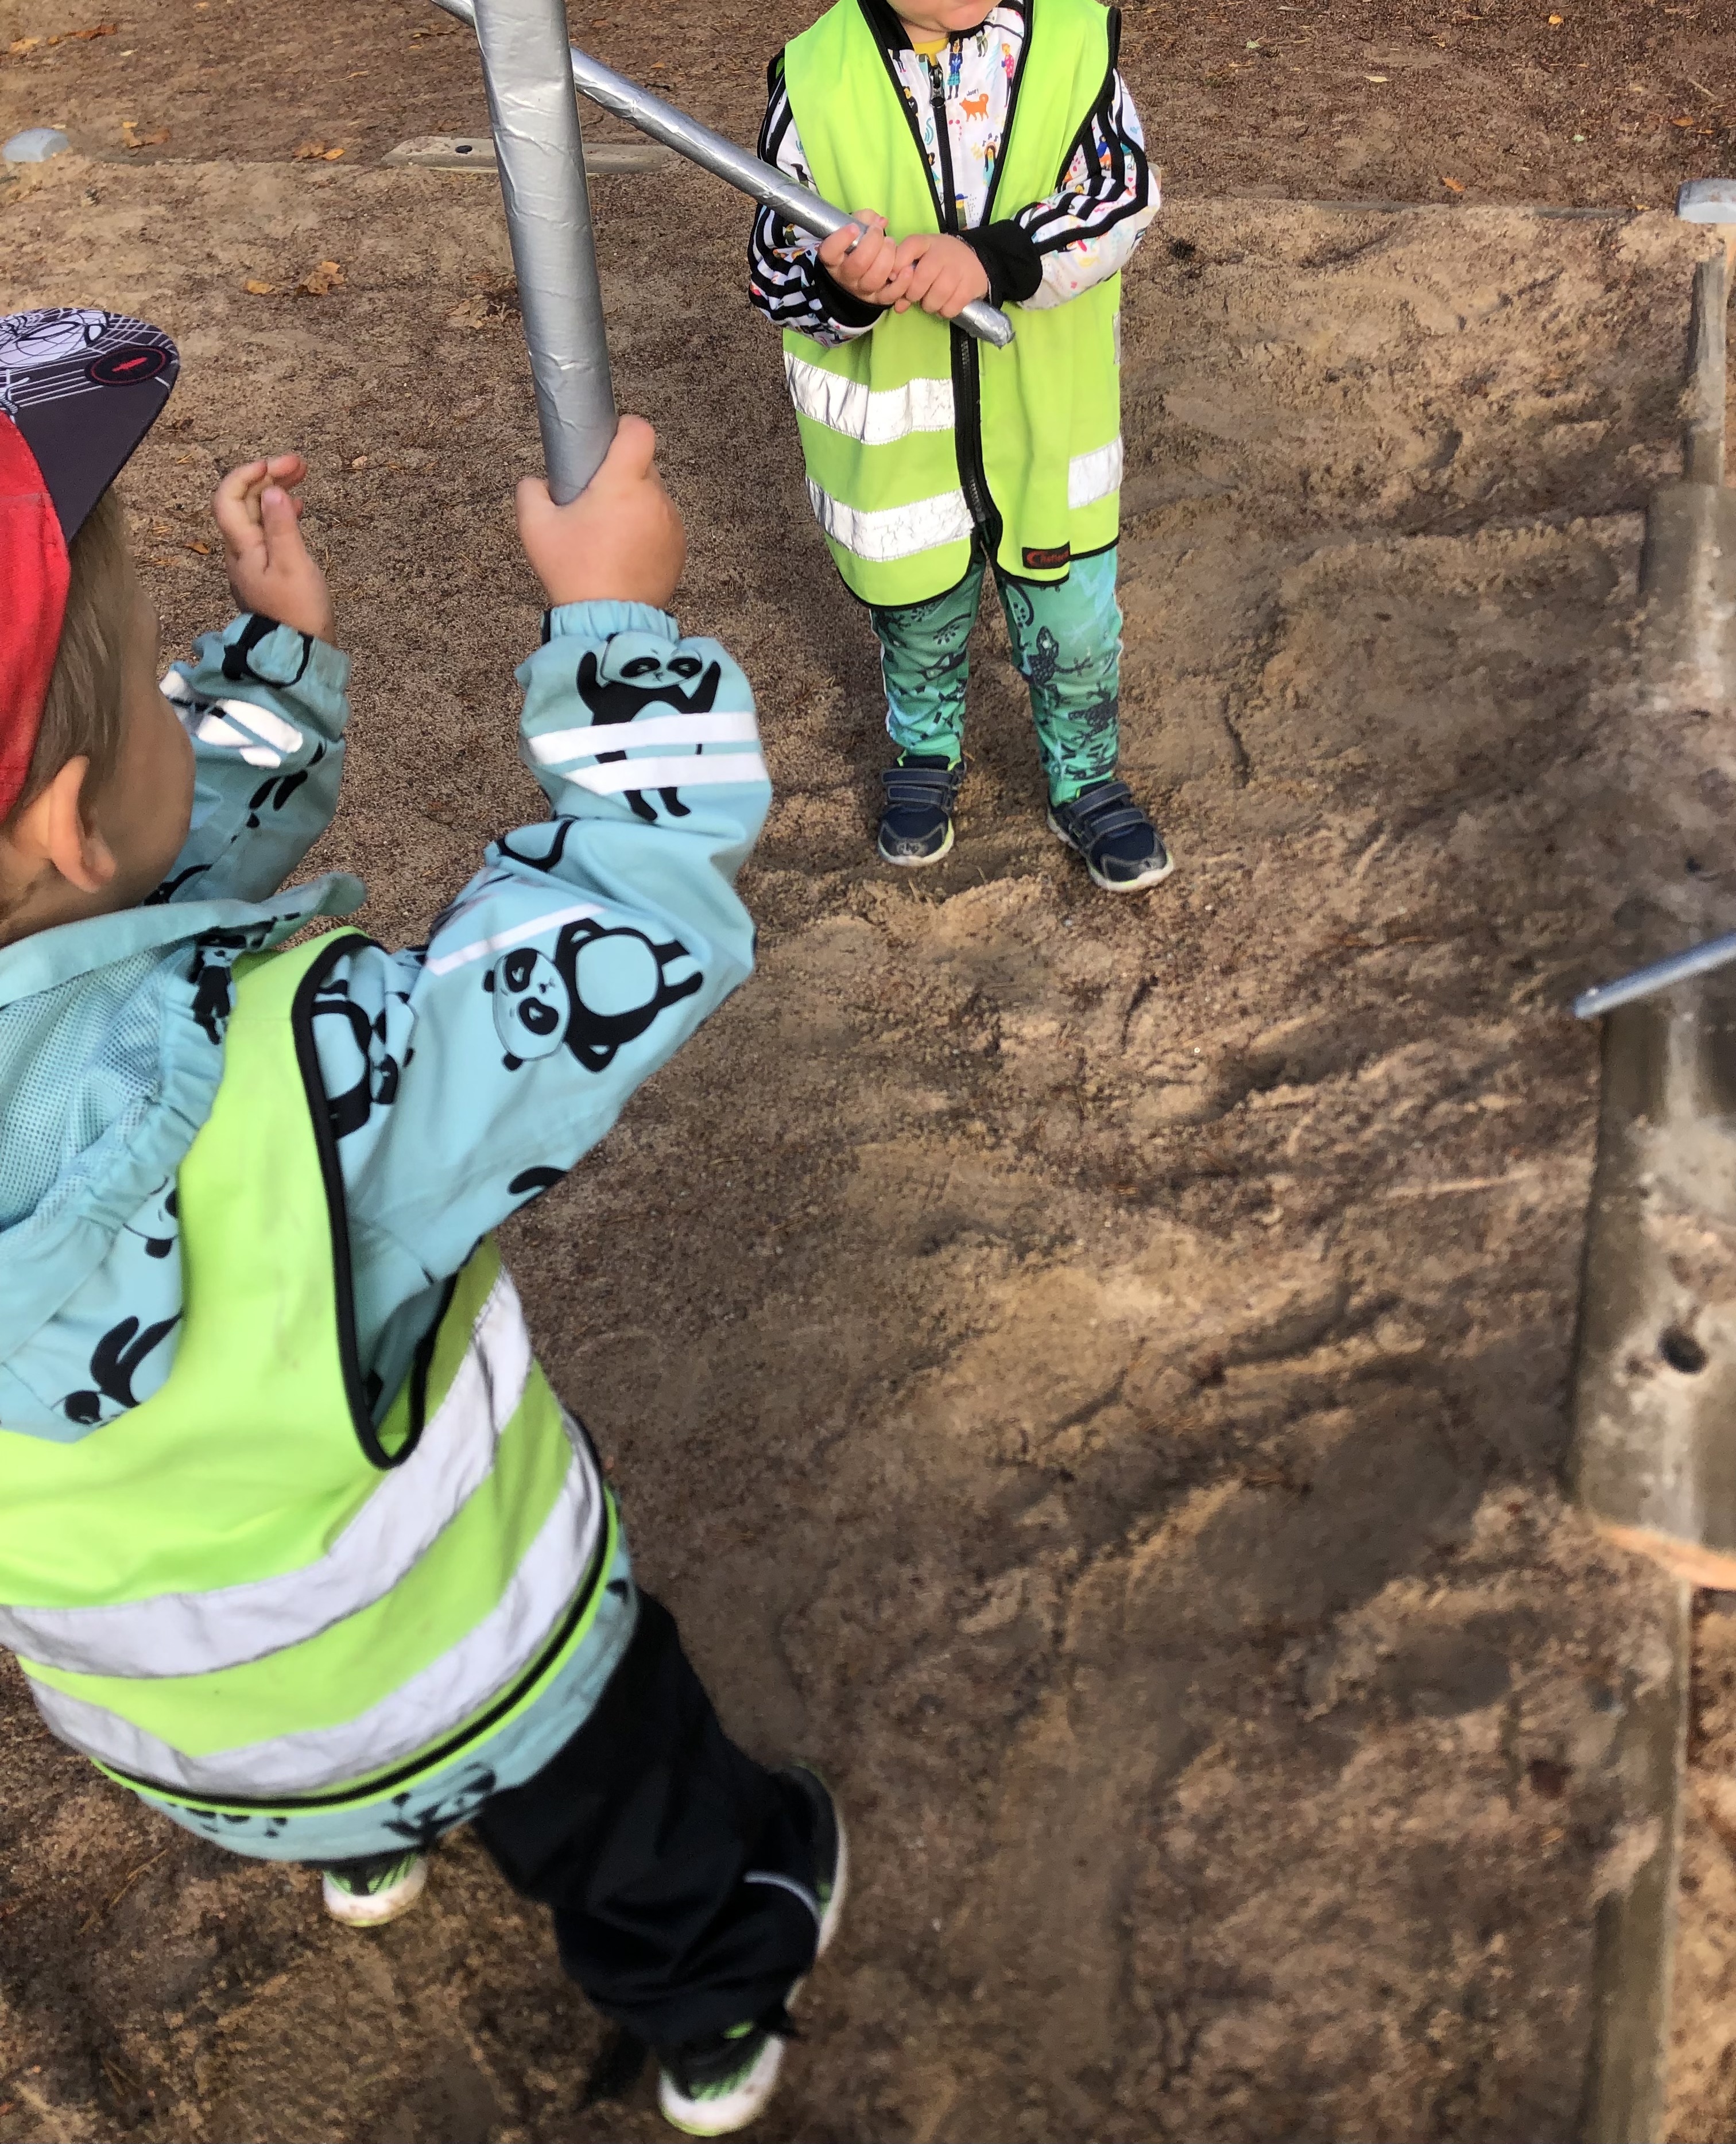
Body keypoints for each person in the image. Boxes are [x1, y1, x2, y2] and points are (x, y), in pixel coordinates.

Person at [0, 305, 842, 2139]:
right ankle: (715, 2000)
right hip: (476, 1650)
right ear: (68, 817)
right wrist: (615, 628)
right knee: (627, 1806)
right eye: (143, 697)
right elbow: (627, 929)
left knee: (329, 1755)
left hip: (184, 1738)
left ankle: (362, 1843)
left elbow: (95, 931)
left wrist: (268, 671)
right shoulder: (293, 1091)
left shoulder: (69, 924)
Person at [750, 0, 1171, 892]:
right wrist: (843, 286)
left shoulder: (1069, 43)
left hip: (1047, 438)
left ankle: (1085, 775)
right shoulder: (817, 77)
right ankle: (927, 748)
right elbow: (774, 272)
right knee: (918, 622)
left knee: (1076, 631)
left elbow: (1122, 198)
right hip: (901, 465)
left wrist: (995, 258)